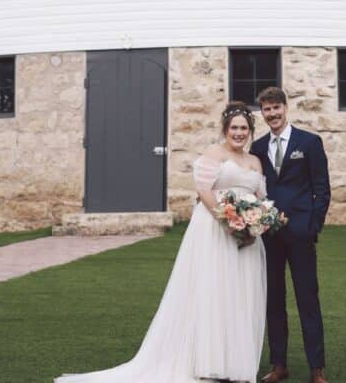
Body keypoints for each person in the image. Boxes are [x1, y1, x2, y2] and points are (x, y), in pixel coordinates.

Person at [55, 102, 268, 383]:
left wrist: (256, 224)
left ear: (250, 131)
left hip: (247, 237)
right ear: (225, 129)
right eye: (234, 128)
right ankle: (209, 361)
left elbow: (262, 198)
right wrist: (228, 222)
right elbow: (203, 191)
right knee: (214, 290)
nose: (239, 133)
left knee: (240, 294)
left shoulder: (254, 162)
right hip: (216, 230)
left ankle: (236, 363)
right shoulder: (213, 154)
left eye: (244, 128)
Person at [250, 87, 331, 383]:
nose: (271, 114)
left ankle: (317, 368)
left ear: (285, 108)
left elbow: (321, 189)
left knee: (307, 298)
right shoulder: (258, 147)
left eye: (275, 108)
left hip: (301, 234)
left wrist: (313, 226)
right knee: (274, 301)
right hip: (269, 236)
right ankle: (279, 364)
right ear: (262, 113)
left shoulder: (309, 142)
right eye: (266, 110)